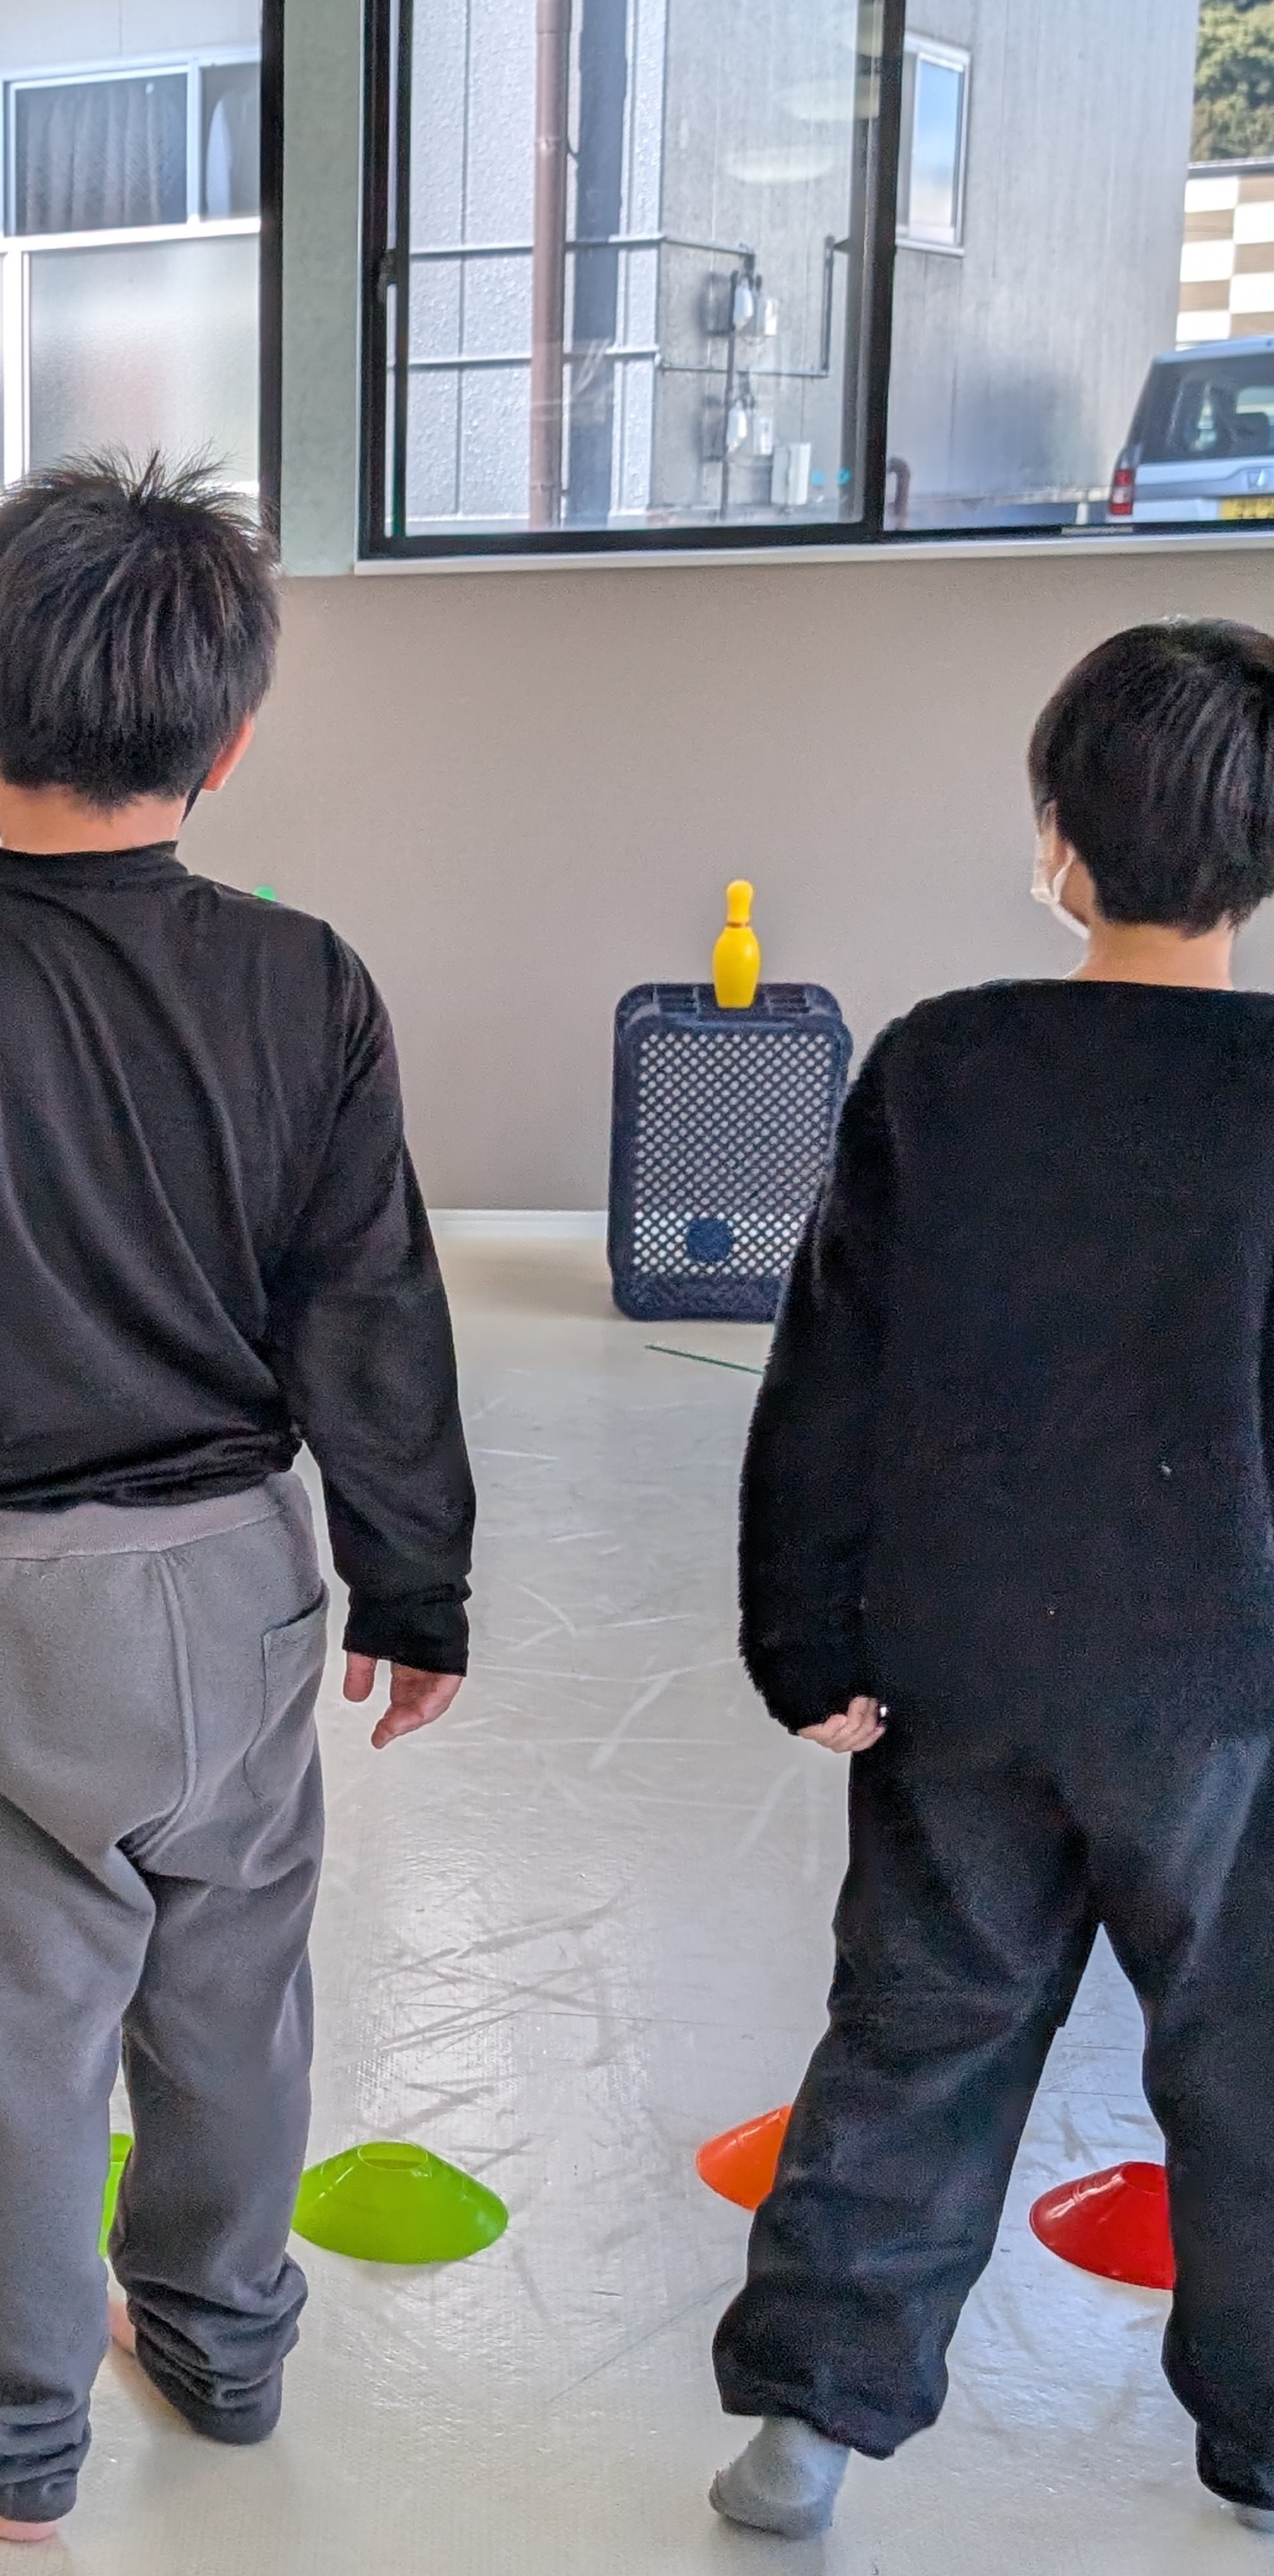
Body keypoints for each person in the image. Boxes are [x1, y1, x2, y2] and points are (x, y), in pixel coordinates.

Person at [0, 455, 476, 2542]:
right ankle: (218, 2345)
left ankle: (3, 2427)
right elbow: (373, 1306)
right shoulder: (306, 976)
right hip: (243, 1584)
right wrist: (415, 1580)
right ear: (230, 740)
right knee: (232, 1995)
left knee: (14, 2031)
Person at [711, 620, 1274, 2542]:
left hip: (956, 1672)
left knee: (916, 2030)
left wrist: (799, 1633)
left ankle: (805, 2418)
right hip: (1216, 1686)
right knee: (1248, 2060)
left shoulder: (941, 1064)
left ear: (1054, 837)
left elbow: (826, 1375)